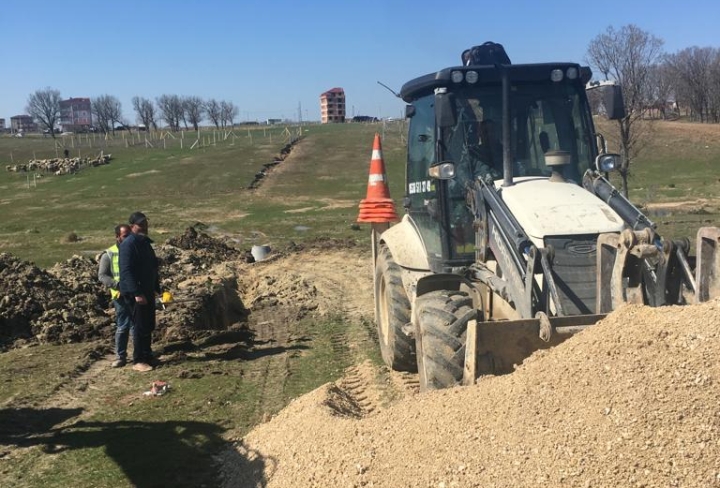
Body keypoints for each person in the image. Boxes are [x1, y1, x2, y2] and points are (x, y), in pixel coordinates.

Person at [119, 211, 160, 372]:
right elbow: (126, 271)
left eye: (146, 224)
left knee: (148, 324)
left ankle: (147, 354)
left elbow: (152, 267)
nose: (144, 227)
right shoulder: (129, 244)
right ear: (132, 227)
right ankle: (138, 360)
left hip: (147, 290)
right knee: (140, 325)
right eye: (140, 224)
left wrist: (156, 288)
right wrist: (136, 293)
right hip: (137, 293)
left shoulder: (144, 243)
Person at [98, 224, 133, 368]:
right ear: (117, 237)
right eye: (125, 236)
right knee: (123, 325)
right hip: (120, 296)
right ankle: (120, 356)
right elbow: (102, 276)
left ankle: (140, 355)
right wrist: (118, 286)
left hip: (135, 293)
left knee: (138, 326)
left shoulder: (133, 251)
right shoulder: (109, 254)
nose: (128, 239)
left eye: (129, 236)